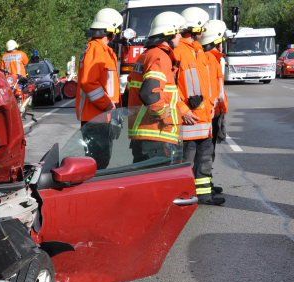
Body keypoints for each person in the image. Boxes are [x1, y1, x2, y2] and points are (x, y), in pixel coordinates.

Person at [175, 7, 223, 205]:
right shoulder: (179, 52)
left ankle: (203, 194)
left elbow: (206, 85)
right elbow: (171, 86)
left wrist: (212, 106)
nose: (204, 31)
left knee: (204, 159)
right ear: (196, 28)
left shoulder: (198, 52)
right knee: (186, 161)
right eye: (202, 27)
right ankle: (185, 194)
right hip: (189, 119)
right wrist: (183, 109)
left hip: (203, 118)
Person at [126, 12, 186, 164]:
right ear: (169, 33)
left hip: (147, 135)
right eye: (179, 32)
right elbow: (150, 93)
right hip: (156, 134)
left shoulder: (148, 55)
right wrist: (163, 115)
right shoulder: (159, 56)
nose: (181, 36)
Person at [75, 7, 123, 169]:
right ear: (111, 30)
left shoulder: (103, 50)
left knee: (100, 162)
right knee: (98, 164)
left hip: (101, 117)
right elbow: (89, 83)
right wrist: (108, 105)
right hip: (96, 117)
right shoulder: (96, 50)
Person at [201, 19, 228, 195]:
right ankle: (204, 186)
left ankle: (207, 183)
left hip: (215, 111)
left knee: (208, 151)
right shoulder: (210, 59)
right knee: (206, 152)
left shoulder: (215, 58)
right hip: (210, 112)